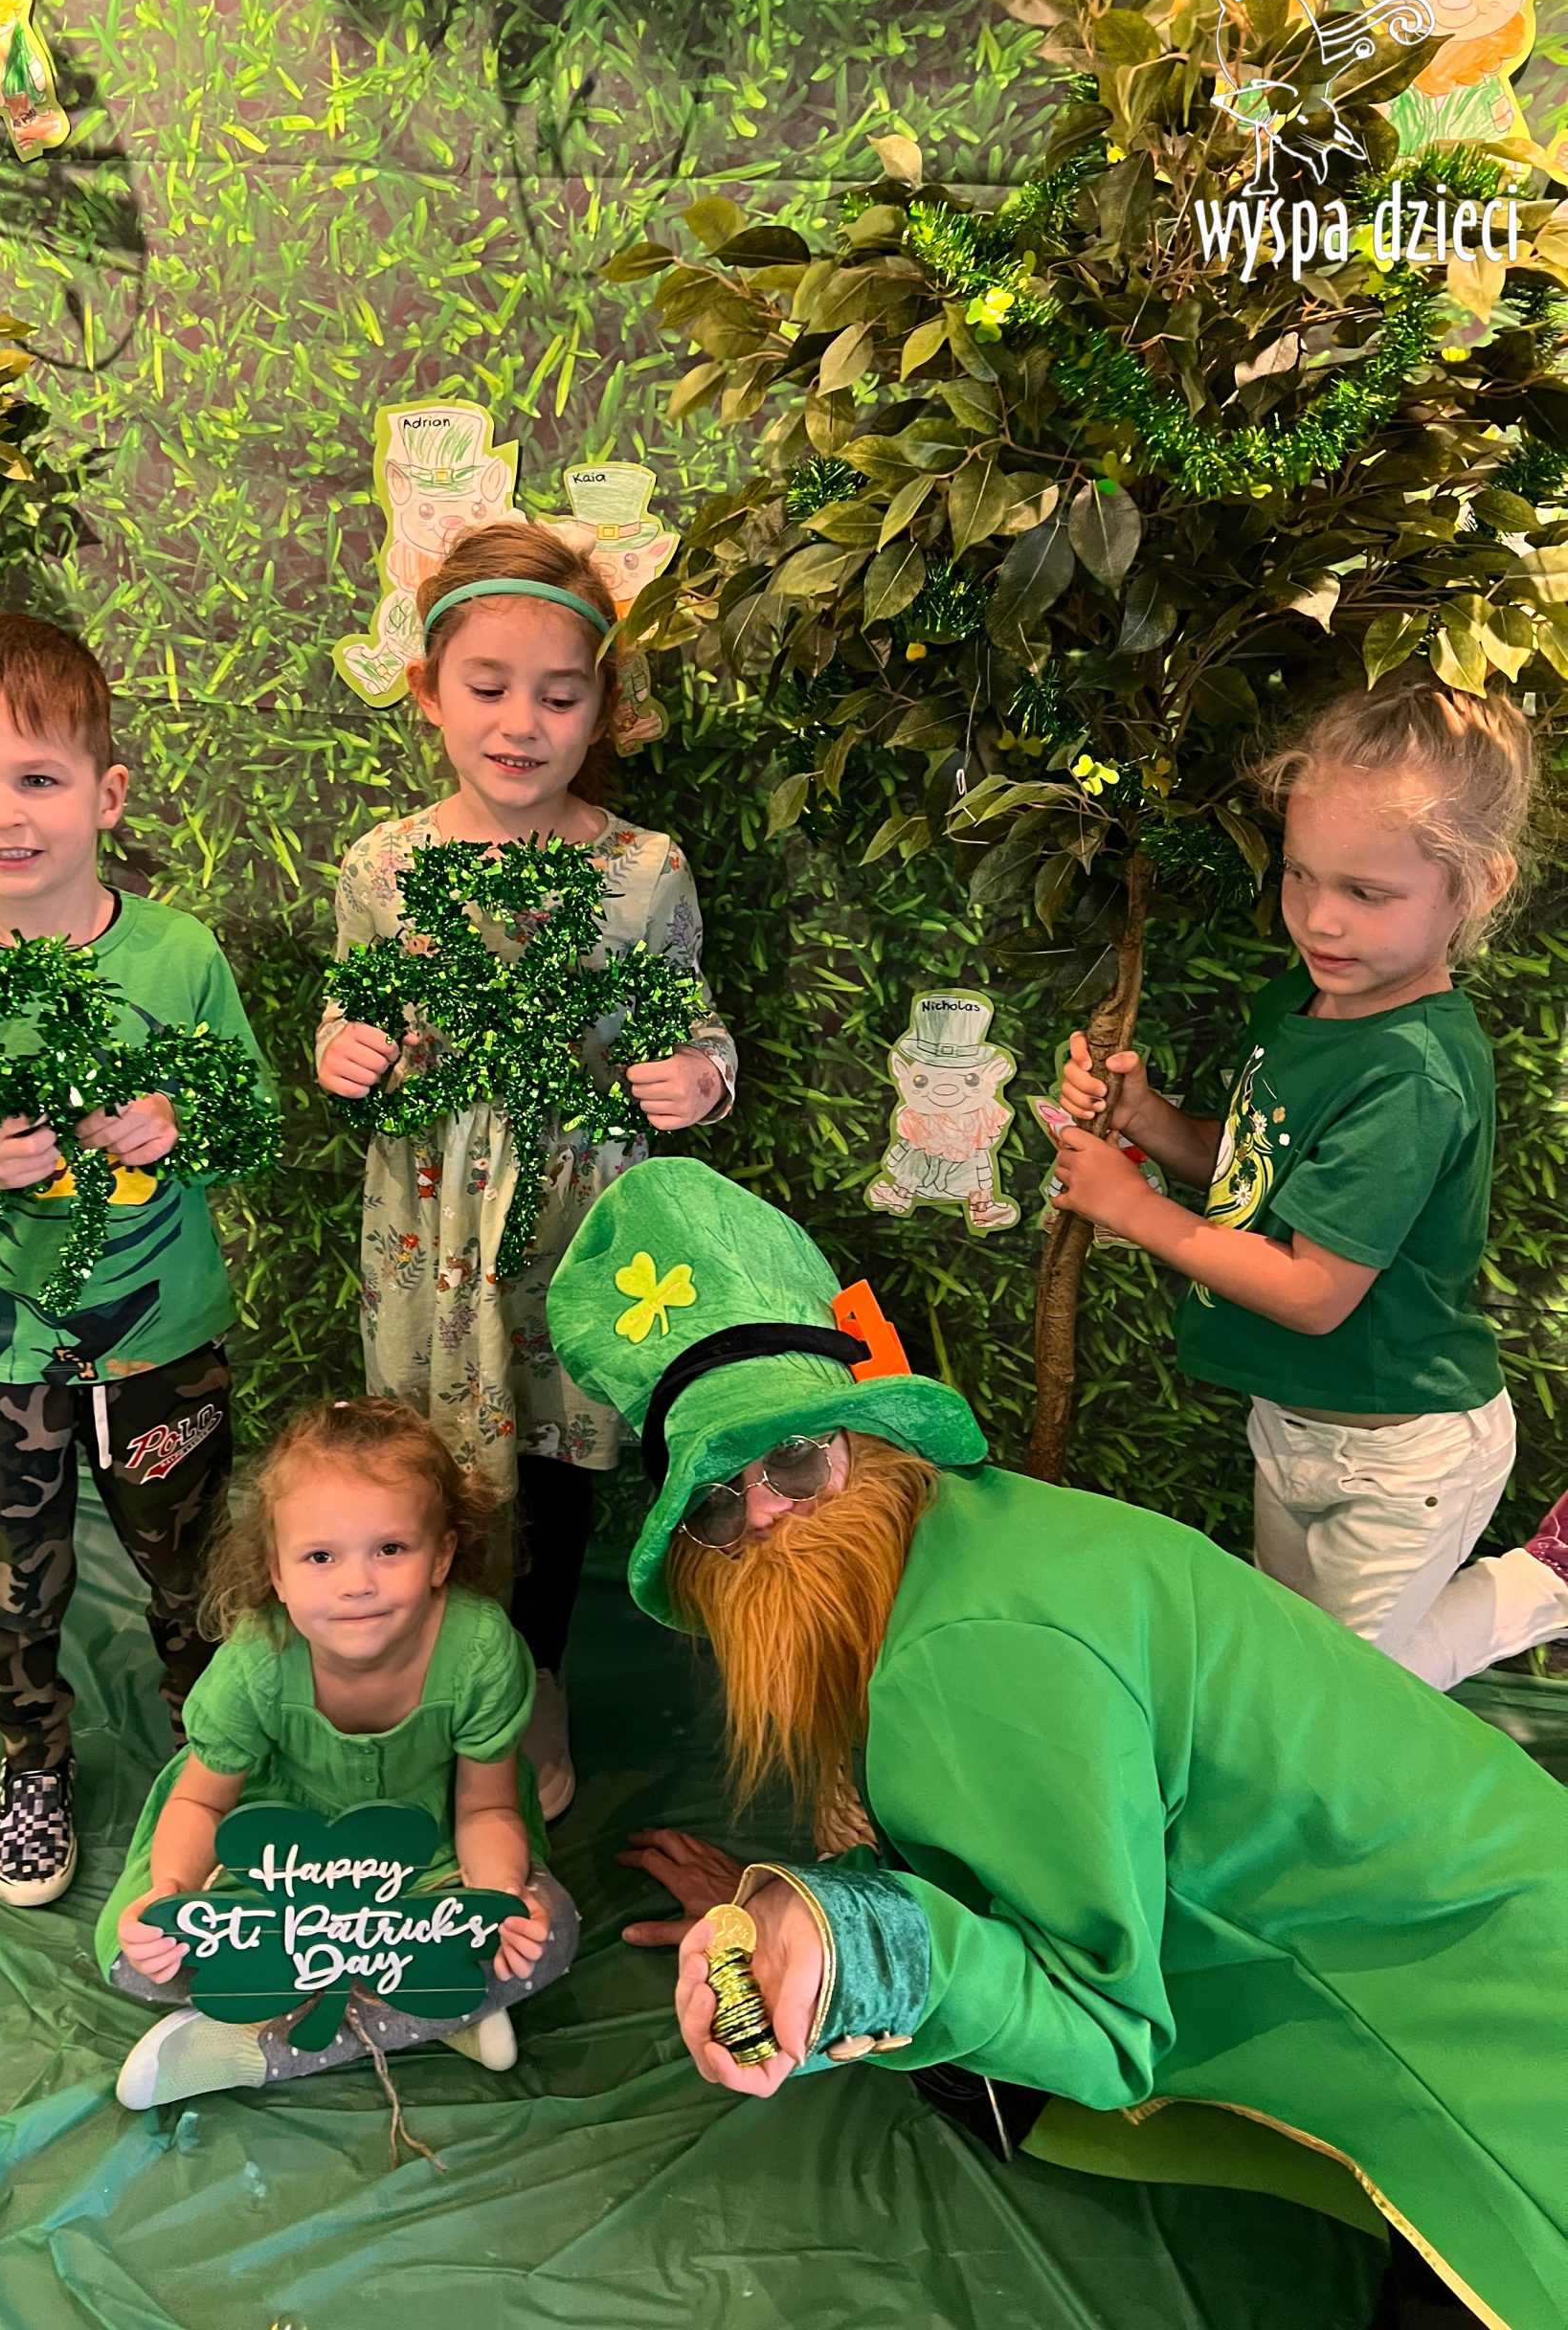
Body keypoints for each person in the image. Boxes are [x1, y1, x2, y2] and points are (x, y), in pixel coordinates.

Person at [545, 1156, 1568, 2330]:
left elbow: (1102, 2031)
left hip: (1503, 2035)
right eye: (720, 1504)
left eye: (795, 1459)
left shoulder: (965, 1651)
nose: (769, 1518)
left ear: (869, 1440)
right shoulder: (973, 1536)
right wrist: (790, 1916)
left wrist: (856, 1944)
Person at [315, 518, 737, 1818]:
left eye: (559, 696)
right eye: (488, 686)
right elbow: (352, 1005)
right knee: (430, 1454)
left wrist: (700, 1076)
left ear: (601, 709)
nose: (521, 723)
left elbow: (694, 1020)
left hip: (576, 1217)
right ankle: (439, 1676)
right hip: (431, 1221)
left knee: (555, 1460)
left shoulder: (644, 873)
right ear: (428, 689)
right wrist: (343, 1048)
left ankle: (535, 1673)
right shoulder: (385, 865)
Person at [0, 614, 274, 1908]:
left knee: (196, 1570)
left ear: (106, 792)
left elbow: (251, 1115)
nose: (4, 813)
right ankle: (33, 1760)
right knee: (9, 1589)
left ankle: (220, 1751)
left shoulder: (179, 954)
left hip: (162, 1345)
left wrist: (179, 1120)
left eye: (38, 777)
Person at [1053, 673, 1568, 1690]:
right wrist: (1149, 1122)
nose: (1319, 920)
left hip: (1401, 1455)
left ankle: (1541, 1583)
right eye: (1300, 875)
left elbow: (1313, 1291)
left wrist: (1136, 1209)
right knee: (1294, 1658)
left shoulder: (1413, 1073)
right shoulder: (1304, 1000)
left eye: (1367, 893)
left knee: (1339, 1697)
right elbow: (1258, 1170)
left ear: (1479, 887)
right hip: (1291, 1422)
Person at [98, 1396, 577, 2107]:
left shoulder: (481, 1652)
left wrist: (497, 1901)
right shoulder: (258, 1659)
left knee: (548, 1932)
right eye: (321, 1557)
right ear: (278, 1573)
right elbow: (200, 1801)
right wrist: (171, 1896)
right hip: (269, 1864)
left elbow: (486, 1809)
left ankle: (258, 2045)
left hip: (428, 1858)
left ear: (442, 1554)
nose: (358, 1583)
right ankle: (434, 2004)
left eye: (391, 1549)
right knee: (136, 1956)